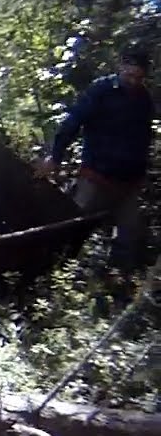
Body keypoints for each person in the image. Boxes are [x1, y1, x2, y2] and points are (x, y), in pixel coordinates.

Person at [34, 44, 154, 270]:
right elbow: (73, 122)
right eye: (130, 75)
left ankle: (116, 285)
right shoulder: (101, 90)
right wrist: (55, 157)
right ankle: (53, 272)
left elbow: (144, 137)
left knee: (128, 236)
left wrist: (142, 171)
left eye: (139, 77)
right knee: (74, 226)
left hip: (129, 181)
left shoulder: (144, 100)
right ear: (121, 67)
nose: (133, 81)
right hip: (96, 175)